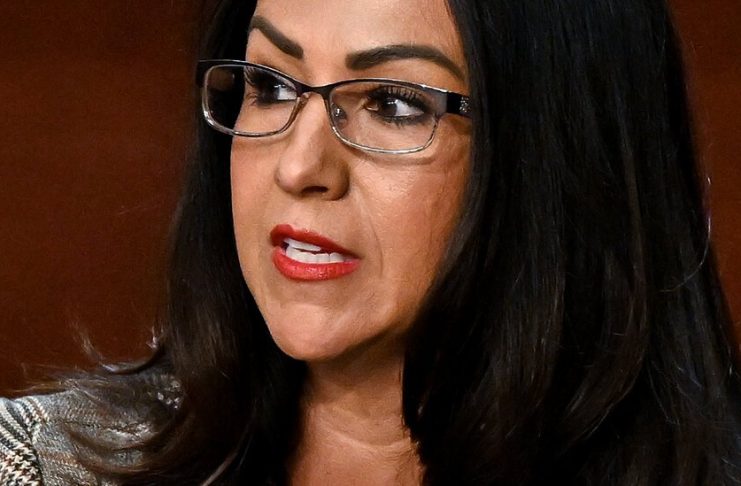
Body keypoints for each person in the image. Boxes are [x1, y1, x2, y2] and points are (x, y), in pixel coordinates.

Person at [1, 0, 740, 484]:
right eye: (271, 86)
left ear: (557, 155)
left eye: (393, 104)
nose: (299, 167)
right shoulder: (40, 464)